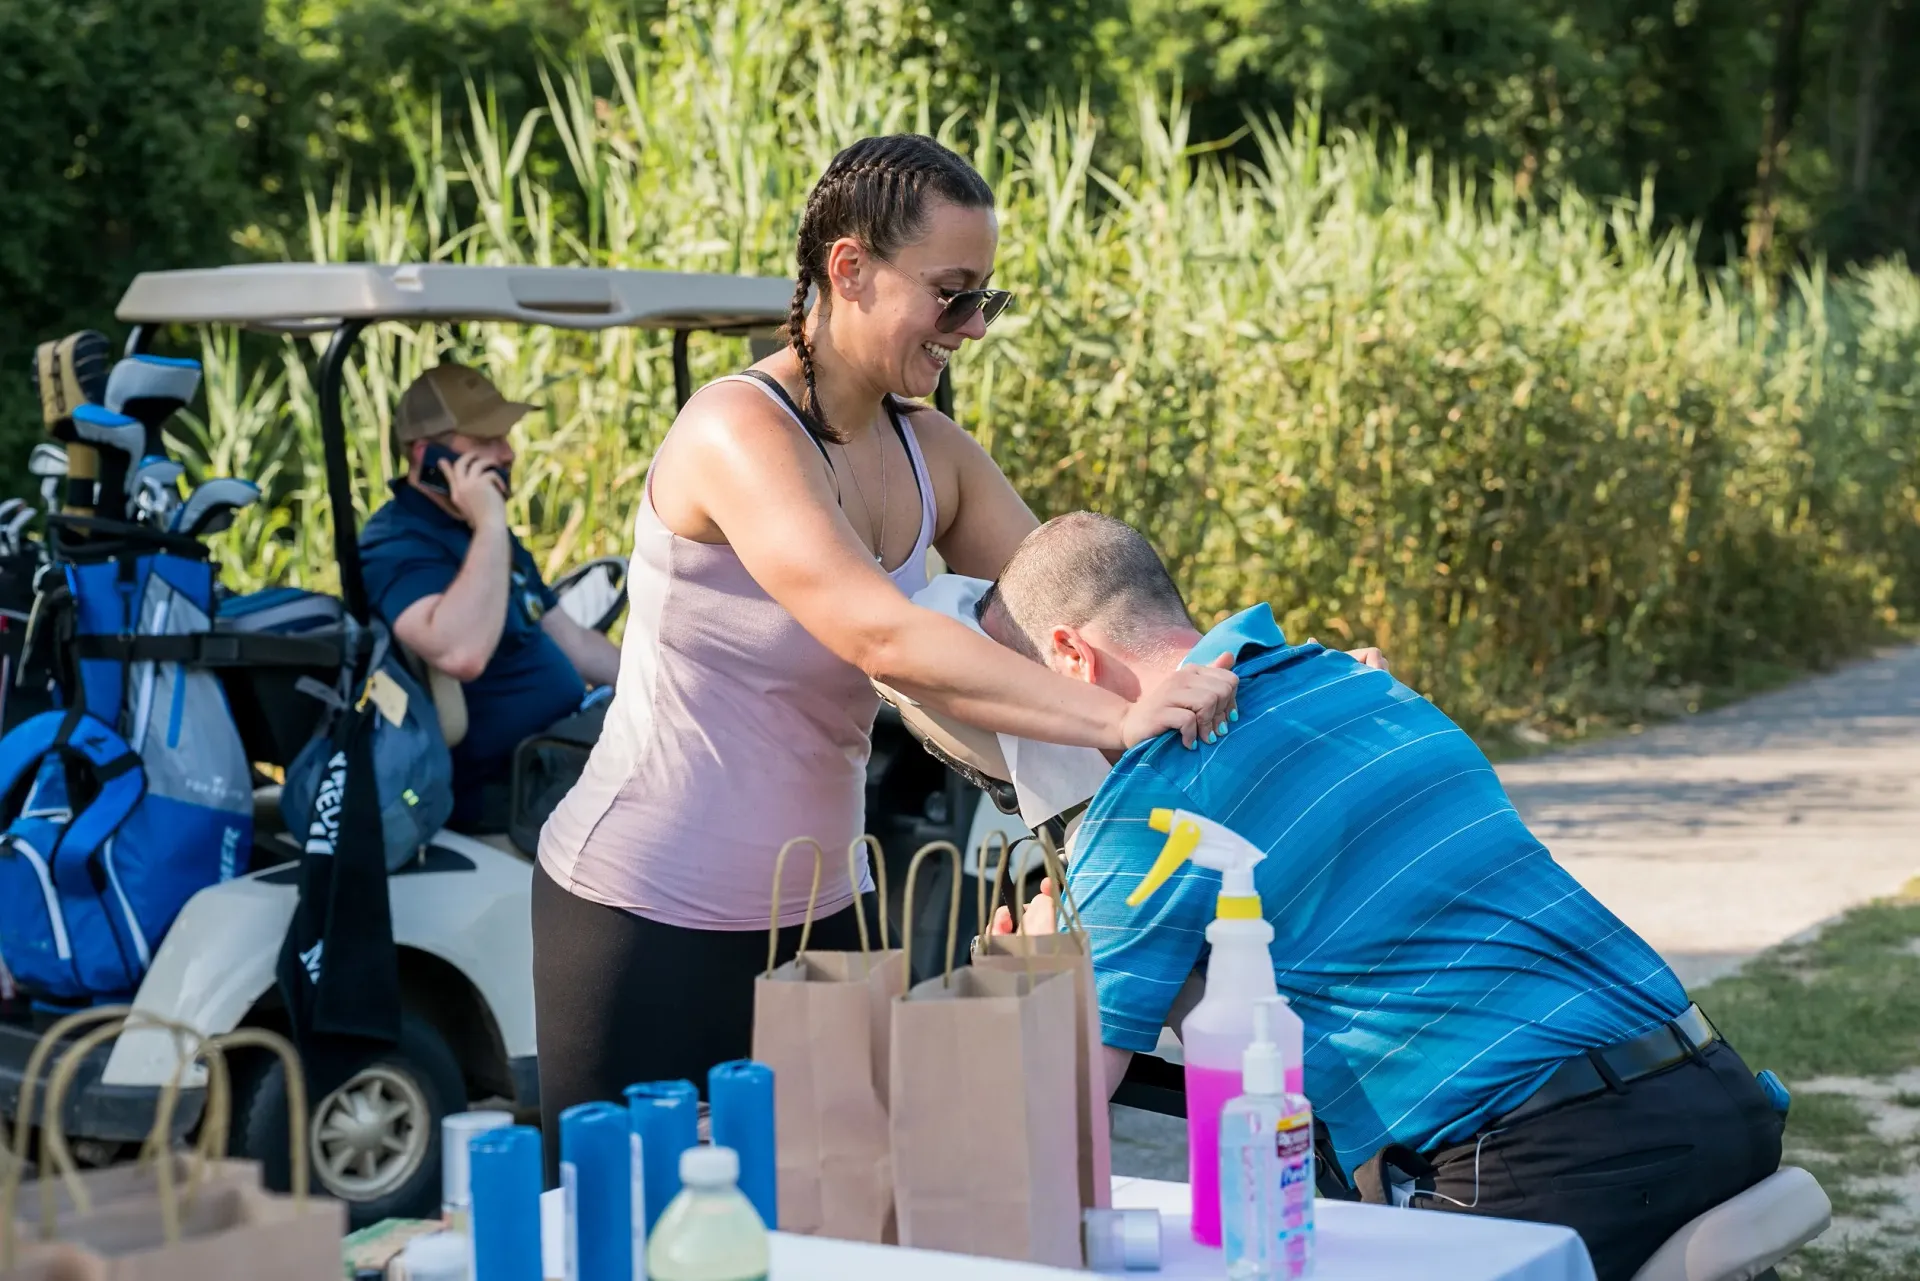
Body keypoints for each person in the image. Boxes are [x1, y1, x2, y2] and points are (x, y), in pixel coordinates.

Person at [530, 134, 1241, 1178]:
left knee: (841, 1231)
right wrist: (1114, 719)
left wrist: (1248, 678)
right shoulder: (737, 428)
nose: (970, 328)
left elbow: (1082, 618)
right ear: (849, 271)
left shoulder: (931, 450)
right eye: (951, 295)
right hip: (644, 916)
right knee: (632, 1237)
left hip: (823, 914)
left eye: (985, 301)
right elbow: (880, 633)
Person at [982, 512, 1784, 1281]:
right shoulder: (1361, 683)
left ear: (1068, 654)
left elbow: (1066, 1106)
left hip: (1553, 1164)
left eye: (1022, 690)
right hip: (1717, 1091)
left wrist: (1036, 974)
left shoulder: (1150, 792)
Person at [359, 363, 621, 830]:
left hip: (559, 752)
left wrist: (663, 686)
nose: (508, 453)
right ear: (429, 454)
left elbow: (573, 642)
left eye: (505, 438)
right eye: (485, 442)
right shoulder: (397, 544)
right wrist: (490, 522)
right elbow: (461, 653)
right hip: (509, 785)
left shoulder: (480, 532)